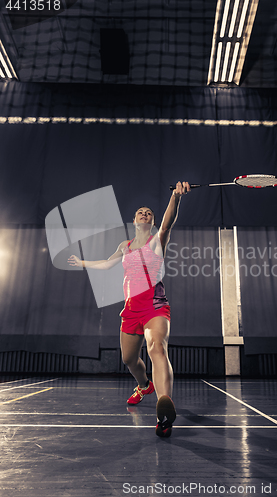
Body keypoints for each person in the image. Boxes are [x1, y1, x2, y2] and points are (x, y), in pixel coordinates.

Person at [68, 181, 190, 437]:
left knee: (157, 347)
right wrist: (82, 262)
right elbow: (106, 264)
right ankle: (144, 386)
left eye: (149, 213)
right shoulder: (125, 246)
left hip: (155, 306)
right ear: (134, 221)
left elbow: (168, 222)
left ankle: (164, 406)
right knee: (129, 360)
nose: (145, 214)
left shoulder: (158, 240)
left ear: (153, 222)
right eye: (140, 212)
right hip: (131, 310)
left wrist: (175, 198)